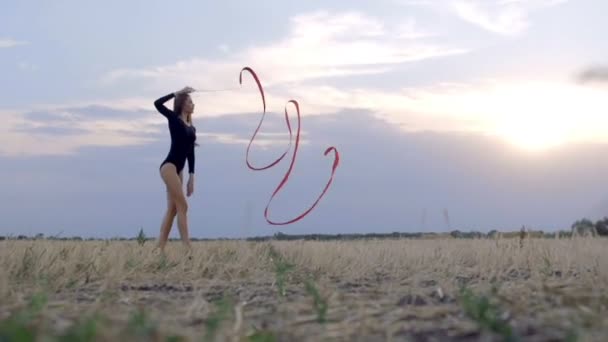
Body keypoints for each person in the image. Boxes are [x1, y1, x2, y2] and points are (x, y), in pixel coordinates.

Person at [154, 86, 197, 253]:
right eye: (189, 101)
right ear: (182, 104)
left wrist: (191, 177)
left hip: (180, 171)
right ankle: (188, 249)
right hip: (169, 167)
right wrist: (177, 93)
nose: (192, 104)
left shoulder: (192, 128)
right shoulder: (173, 119)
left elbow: (191, 153)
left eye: (192, 101)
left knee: (173, 210)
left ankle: (159, 249)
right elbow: (157, 103)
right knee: (183, 206)